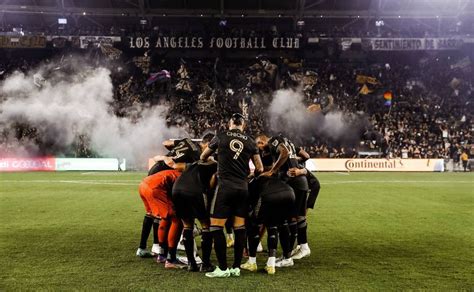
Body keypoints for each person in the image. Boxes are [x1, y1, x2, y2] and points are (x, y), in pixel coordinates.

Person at [200, 113, 264, 278]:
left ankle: (222, 268)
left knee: (215, 227)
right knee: (239, 227)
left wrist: (218, 162)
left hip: (225, 187)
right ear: (243, 125)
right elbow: (260, 168)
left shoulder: (220, 137)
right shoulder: (250, 140)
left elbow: (203, 156)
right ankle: (236, 267)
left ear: (230, 124)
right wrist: (249, 176)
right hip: (242, 188)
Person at [257, 134, 311, 263]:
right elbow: (306, 156)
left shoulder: (274, 141)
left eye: (260, 144)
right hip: (300, 182)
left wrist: (273, 171)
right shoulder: (288, 141)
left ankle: (292, 254)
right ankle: (292, 252)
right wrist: (294, 162)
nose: (260, 148)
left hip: (294, 182)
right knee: (294, 218)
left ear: (264, 141)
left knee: (288, 219)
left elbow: (284, 152)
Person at [167, 134, 217, 272]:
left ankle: (191, 264)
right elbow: (213, 181)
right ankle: (206, 264)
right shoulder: (214, 164)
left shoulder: (194, 162)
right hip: (195, 190)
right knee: (206, 224)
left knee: (187, 225)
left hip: (177, 189)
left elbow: (177, 165)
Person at [241, 176, 295, 275]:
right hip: (290, 193)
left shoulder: (248, 186)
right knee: (276, 224)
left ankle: (252, 262)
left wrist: (245, 247)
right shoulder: (265, 178)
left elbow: (249, 214)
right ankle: (272, 264)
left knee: (254, 225)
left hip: (270, 196)